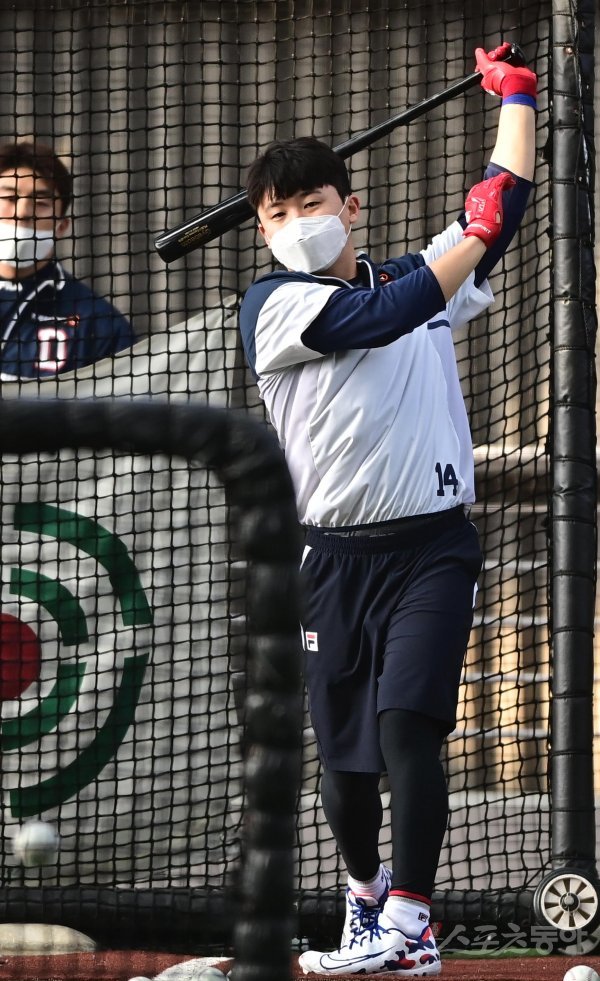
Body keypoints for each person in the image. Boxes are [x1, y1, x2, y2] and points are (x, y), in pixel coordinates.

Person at [239, 42, 536, 977]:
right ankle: (366, 898)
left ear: (352, 206)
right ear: (261, 231)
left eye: (312, 204)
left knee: (409, 722)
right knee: (345, 767)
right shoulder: (273, 307)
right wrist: (471, 237)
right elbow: (385, 314)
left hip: (433, 548)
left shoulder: (415, 279)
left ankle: (412, 920)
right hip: (331, 559)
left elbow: (502, 201)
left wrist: (517, 96)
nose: (299, 224)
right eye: (278, 214)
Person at [0, 140, 135, 379]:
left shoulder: (98, 323)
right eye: (9, 198)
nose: (22, 213)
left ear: (62, 226)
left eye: (40, 203)